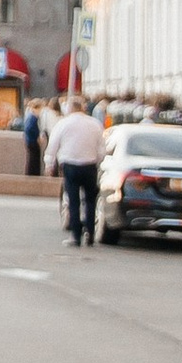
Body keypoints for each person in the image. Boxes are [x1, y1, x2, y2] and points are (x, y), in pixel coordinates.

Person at [54, 94, 105, 248]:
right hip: (90, 166)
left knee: (74, 202)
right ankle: (89, 234)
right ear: (83, 107)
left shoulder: (63, 124)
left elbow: (53, 144)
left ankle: (75, 236)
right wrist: (98, 161)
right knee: (90, 201)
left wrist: (49, 163)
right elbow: (102, 148)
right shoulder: (95, 124)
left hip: (70, 166)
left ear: (69, 108)